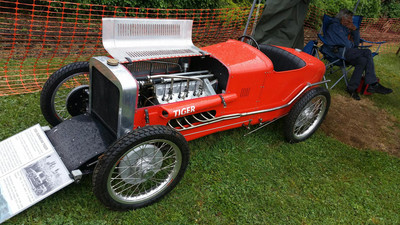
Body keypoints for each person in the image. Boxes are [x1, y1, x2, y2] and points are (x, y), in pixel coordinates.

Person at [324, 9, 393, 100]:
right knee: (367, 52)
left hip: (347, 51)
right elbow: (348, 45)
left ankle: (351, 89)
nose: (351, 22)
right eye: (349, 21)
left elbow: (356, 44)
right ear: (343, 19)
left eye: (351, 21)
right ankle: (372, 84)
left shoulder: (344, 27)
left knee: (362, 60)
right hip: (336, 52)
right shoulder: (335, 26)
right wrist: (352, 44)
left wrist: (355, 30)